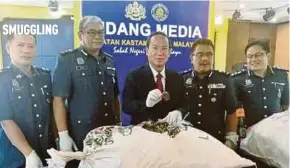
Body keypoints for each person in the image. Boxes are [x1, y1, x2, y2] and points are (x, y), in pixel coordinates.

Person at [52, 15, 121, 154]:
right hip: (81, 135)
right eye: (91, 32)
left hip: (108, 132)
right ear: (80, 35)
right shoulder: (67, 60)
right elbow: (58, 99)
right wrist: (63, 135)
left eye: (101, 32)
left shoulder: (109, 61)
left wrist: (118, 124)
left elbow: (114, 97)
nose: (97, 36)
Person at [0, 34, 54, 168]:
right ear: (8, 48)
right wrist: (29, 153)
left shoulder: (45, 77)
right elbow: (6, 120)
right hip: (16, 157)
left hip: (47, 153)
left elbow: (52, 112)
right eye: (20, 45)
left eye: (31, 46)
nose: (26, 50)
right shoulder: (3, 79)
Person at [180, 38, 239, 148]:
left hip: (215, 140)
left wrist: (231, 138)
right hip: (186, 139)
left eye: (209, 54)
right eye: (200, 54)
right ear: (191, 58)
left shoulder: (225, 80)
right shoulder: (181, 80)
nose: (205, 58)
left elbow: (232, 111)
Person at [122, 31, 186, 125]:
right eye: (155, 48)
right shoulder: (134, 76)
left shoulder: (177, 77)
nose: (159, 53)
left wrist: (179, 111)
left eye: (164, 48)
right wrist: (146, 104)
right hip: (143, 133)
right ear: (147, 51)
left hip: (170, 134)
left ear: (169, 52)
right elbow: (126, 106)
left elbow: (184, 103)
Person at [232, 39, 289, 128]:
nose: (253, 59)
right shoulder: (237, 79)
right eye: (249, 56)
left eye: (257, 55)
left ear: (268, 55)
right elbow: (233, 109)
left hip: (275, 129)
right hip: (249, 132)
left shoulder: (281, 76)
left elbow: (285, 105)